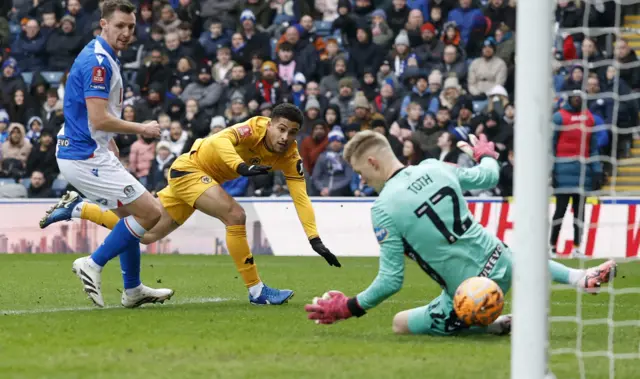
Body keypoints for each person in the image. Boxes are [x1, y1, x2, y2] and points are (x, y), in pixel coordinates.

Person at [303, 131, 617, 334]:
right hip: (504, 263)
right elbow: (487, 176)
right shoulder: (434, 167)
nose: (361, 180)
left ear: (372, 161)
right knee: (514, 253)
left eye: (360, 172)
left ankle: (490, 326)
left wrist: (350, 307)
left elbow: (391, 280)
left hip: (468, 293)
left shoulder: (383, 208)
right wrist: (485, 154)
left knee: (400, 324)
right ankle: (580, 277)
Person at [42, 104, 342, 305]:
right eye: (281, 128)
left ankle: (78, 208)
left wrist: (314, 237)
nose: (284, 136)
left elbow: (300, 196)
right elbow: (218, 141)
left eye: (292, 132)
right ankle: (257, 290)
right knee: (235, 216)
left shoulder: (290, 156)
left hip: (202, 180)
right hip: (190, 170)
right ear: (271, 124)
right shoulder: (253, 128)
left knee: (146, 233)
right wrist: (238, 166)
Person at [51, 0, 173, 309]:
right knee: (151, 213)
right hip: (84, 156)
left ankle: (132, 290)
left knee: (131, 217)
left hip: (86, 149)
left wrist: (108, 140)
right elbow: (99, 118)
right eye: (119, 25)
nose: (126, 32)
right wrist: (141, 128)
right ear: (103, 24)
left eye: (131, 27)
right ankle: (92, 263)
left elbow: (87, 114)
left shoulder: (100, 55)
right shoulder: (99, 62)